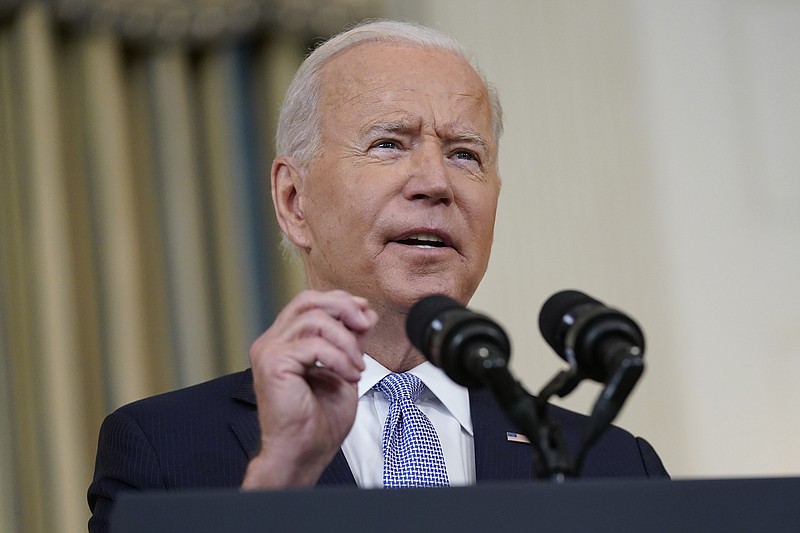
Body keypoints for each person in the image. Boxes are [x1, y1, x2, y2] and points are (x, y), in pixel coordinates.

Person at [87, 19, 668, 532]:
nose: (435, 183)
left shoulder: (611, 464)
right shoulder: (163, 452)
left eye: (465, 154)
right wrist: (278, 482)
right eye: (389, 144)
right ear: (293, 201)